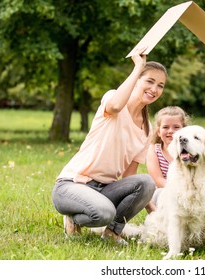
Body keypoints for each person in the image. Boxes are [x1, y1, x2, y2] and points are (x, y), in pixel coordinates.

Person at [51, 47, 168, 246]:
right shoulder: (113, 100)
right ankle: (72, 217)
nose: (154, 89)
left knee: (147, 182)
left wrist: (153, 210)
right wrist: (138, 66)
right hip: (72, 185)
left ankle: (112, 232)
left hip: (105, 189)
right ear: (136, 80)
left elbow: (130, 176)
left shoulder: (147, 129)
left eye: (160, 85)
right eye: (149, 81)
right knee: (104, 212)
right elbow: (115, 106)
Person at [145, 106, 190, 212]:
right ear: (158, 132)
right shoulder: (154, 150)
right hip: (164, 193)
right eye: (165, 127)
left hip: (188, 194)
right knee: (158, 193)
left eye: (176, 127)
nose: (171, 131)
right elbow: (158, 179)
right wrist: (178, 192)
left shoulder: (189, 151)